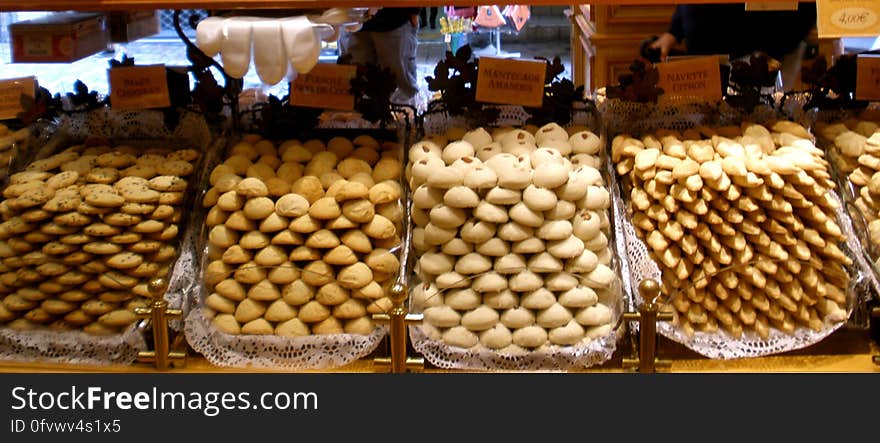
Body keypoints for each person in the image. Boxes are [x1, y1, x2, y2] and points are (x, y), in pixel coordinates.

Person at [649, 3, 817, 90]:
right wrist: (674, 32)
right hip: (705, 57)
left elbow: (806, 9)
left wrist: (772, 53)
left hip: (760, 63)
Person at [337, 7, 421, 104]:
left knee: (401, 92)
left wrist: (415, 9)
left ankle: (405, 117)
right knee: (353, 91)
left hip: (394, 17)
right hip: (351, 19)